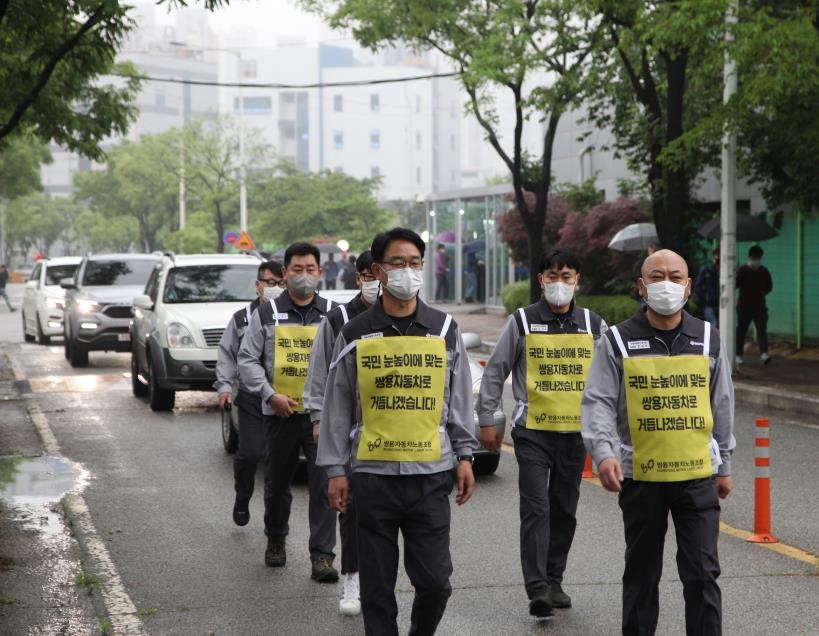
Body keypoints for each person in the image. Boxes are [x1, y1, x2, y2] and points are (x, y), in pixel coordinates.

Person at [318, 227, 477, 635]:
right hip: (372, 478)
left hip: (430, 477)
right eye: (397, 263)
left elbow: (458, 396)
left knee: (436, 583)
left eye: (415, 263)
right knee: (376, 590)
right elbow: (337, 403)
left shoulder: (443, 329)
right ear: (378, 271)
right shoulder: (354, 333)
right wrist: (335, 469)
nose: (408, 271)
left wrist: (464, 455)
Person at [581, 248, 735, 636]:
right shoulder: (616, 340)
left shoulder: (706, 337)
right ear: (641, 286)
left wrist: (726, 464)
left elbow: (722, 401)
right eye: (656, 276)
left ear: (688, 286)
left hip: (697, 477)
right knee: (642, 576)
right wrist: (603, 453)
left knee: (702, 575)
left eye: (675, 276)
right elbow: (598, 400)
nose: (666, 283)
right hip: (640, 478)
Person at [476, 248, 607, 618]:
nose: (560, 283)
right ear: (541, 280)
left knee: (564, 509)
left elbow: (610, 382)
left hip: (575, 435)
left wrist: (609, 434)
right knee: (536, 508)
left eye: (567, 276)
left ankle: (554, 579)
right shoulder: (522, 322)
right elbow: (495, 370)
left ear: (578, 280)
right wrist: (487, 417)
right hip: (532, 433)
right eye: (553, 276)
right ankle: (537, 589)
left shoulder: (594, 326)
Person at [237, 243, 340, 581]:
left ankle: (322, 556)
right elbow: (247, 361)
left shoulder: (333, 315)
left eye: (311, 269)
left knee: (324, 484)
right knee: (278, 483)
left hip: (321, 418)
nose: (304, 276)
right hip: (279, 415)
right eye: (297, 269)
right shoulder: (265, 315)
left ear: (320, 273)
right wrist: (269, 395)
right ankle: (276, 538)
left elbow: (344, 365)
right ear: (284, 274)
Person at [303, 250, 377, 617]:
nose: (377, 281)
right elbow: (320, 378)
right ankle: (352, 576)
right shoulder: (338, 321)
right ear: (358, 276)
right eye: (369, 274)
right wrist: (319, 420)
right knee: (351, 510)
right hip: (351, 434)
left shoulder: (420, 320)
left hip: (399, 437)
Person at [215, 260, 284, 527]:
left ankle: (274, 525)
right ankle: (242, 497)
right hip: (253, 398)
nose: (275, 288)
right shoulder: (242, 318)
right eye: (270, 283)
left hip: (285, 399)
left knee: (276, 464)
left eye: (280, 283)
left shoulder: (290, 315)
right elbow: (227, 354)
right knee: (251, 453)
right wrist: (224, 387)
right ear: (258, 285)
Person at [735, 245, 773, 365]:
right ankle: (738, 355)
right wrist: (736, 275)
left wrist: (760, 294)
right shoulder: (742, 270)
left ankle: (764, 353)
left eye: (758, 258)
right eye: (754, 257)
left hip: (760, 306)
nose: (756, 260)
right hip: (743, 306)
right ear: (749, 257)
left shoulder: (764, 271)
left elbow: (769, 287)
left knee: (762, 330)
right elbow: (735, 285)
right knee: (741, 331)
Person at [694, 248, 720, 328]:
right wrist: (703, 298)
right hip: (709, 304)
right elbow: (698, 285)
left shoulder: (725, 272)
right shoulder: (707, 271)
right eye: (717, 257)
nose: (718, 260)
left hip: (722, 304)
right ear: (713, 258)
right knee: (713, 324)